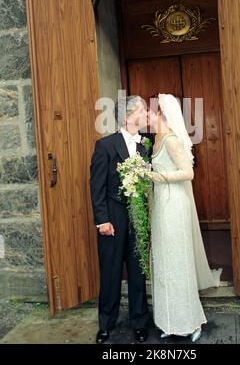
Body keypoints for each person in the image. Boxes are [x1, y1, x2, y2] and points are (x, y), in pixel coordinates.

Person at [148, 93, 222, 342]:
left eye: (150, 111)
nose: (147, 115)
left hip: (174, 205)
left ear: (162, 114)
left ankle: (191, 321)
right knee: (164, 262)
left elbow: (188, 173)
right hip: (160, 206)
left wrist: (158, 177)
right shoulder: (155, 139)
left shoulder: (171, 140)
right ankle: (168, 319)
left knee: (178, 261)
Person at [90, 95, 154, 344]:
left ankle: (140, 321)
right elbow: (96, 186)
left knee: (138, 272)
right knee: (111, 272)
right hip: (112, 221)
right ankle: (106, 323)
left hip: (138, 219)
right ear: (127, 116)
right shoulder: (104, 145)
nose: (145, 113)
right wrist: (102, 220)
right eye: (141, 110)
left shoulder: (147, 143)